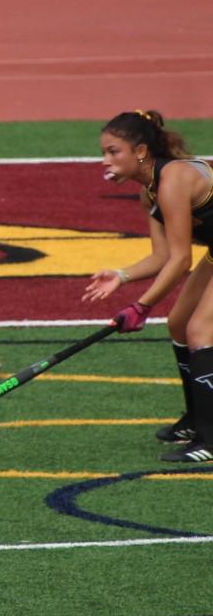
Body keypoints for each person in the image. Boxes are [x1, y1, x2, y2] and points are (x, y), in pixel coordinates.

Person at [83, 110, 213, 463]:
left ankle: (211, 439)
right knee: (179, 324)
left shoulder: (172, 181)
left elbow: (181, 261)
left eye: (113, 152)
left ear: (140, 151)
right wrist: (121, 275)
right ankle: (197, 419)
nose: (105, 161)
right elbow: (162, 256)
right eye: (104, 153)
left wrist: (141, 306)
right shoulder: (150, 192)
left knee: (201, 331)